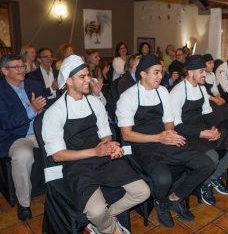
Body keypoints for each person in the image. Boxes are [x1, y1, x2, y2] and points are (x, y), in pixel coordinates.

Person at [42, 55, 150, 234]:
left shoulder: (94, 102)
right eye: (82, 77)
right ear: (69, 81)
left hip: (101, 159)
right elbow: (57, 155)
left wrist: (109, 145)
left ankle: (100, 222)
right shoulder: (55, 112)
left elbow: (105, 133)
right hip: (76, 166)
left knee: (143, 192)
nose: (88, 80)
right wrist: (96, 151)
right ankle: (111, 229)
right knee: (96, 210)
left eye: (88, 75)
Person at [116, 54, 215, 228]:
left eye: (161, 72)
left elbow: (169, 122)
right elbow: (127, 135)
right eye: (156, 73)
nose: (161, 77)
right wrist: (158, 137)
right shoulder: (128, 97)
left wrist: (169, 135)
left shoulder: (162, 92)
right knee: (163, 178)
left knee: (206, 163)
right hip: (142, 145)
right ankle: (160, 202)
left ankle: (175, 198)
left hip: (163, 139)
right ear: (142, 74)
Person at [170, 55, 228, 206]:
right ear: (191, 72)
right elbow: (176, 125)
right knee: (212, 157)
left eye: (205, 70)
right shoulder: (177, 92)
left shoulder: (201, 88)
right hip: (186, 134)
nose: (205, 74)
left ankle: (210, 180)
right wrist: (201, 134)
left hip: (203, 129)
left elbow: (207, 113)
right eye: (201, 71)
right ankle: (204, 184)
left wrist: (214, 128)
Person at [0, 54, 47, 221]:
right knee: (23, 156)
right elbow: (5, 122)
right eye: (17, 67)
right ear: (5, 70)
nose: (22, 70)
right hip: (14, 136)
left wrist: (41, 112)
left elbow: (47, 108)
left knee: (68, 142)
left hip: (40, 132)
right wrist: (32, 110)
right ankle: (24, 203)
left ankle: (64, 189)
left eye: (23, 66)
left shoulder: (35, 85)